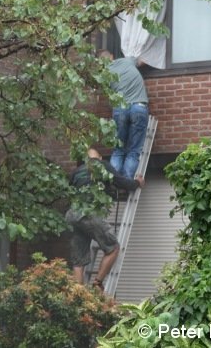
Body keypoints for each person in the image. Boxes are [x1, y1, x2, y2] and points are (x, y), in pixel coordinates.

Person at [66, 147, 144, 290]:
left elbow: (70, 192)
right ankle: (97, 284)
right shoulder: (103, 166)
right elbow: (122, 182)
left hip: (73, 215)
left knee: (78, 260)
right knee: (113, 248)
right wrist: (137, 183)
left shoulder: (76, 172)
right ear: (100, 158)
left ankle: (77, 296)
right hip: (89, 214)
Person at [99, 50, 149, 180]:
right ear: (112, 56)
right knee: (133, 151)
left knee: (118, 150)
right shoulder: (126, 61)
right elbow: (143, 60)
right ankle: (127, 183)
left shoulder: (104, 75)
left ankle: (115, 183)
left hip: (120, 109)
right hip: (139, 106)